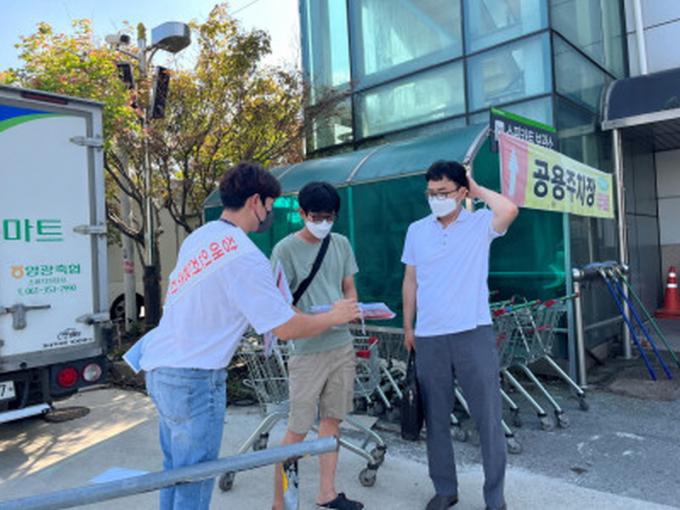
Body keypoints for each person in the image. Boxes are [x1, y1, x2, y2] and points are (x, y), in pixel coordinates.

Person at [135, 163, 360, 510]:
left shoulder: (201, 237)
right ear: (256, 201)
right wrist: (333, 316)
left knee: (175, 473)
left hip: (161, 367)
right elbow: (284, 327)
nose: (269, 214)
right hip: (195, 377)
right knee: (194, 480)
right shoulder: (244, 255)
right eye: (269, 206)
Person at [401, 160, 518, 510]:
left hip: (473, 332)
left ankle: (495, 497)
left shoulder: (480, 224)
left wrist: (477, 190)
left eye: (443, 192)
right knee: (436, 417)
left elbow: (509, 210)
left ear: (461, 191)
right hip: (430, 336)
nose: (435, 199)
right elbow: (410, 280)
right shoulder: (417, 230)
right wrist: (409, 326)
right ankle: (445, 489)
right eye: (431, 193)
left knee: (487, 418)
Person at [270, 182, 363, 510]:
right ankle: (280, 502)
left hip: (341, 345)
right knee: (296, 430)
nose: (323, 223)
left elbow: (349, 286)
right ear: (302, 214)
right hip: (306, 351)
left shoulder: (341, 243)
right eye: (316, 216)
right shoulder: (284, 250)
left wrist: (351, 307)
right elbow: (280, 306)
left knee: (332, 420)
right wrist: (322, 319)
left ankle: (327, 492)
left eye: (329, 217)